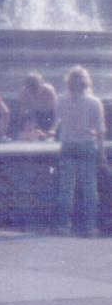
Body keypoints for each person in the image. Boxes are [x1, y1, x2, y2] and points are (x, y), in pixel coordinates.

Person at [53, 66, 105, 236]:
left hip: (68, 143)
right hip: (87, 144)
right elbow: (100, 130)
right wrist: (102, 153)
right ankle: (90, 227)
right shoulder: (94, 102)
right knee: (90, 186)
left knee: (66, 188)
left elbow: (57, 121)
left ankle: (64, 225)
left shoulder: (61, 100)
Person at [9, 72, 58, 140]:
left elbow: (57, 113)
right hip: (35, 116)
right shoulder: (23, 93)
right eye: (31, 91)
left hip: (50, 116)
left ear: (41, 85)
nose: (34, 94)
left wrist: (53, 129)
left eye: (36, 90)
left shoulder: (49, 92)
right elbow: (22, 114)